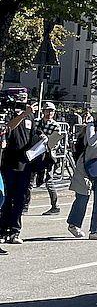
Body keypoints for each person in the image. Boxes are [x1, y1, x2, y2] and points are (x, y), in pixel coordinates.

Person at [67, 102, 97, 240]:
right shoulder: (92, 126)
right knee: (82, 197)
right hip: (86, 167)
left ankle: (95, 231)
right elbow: (92, 141)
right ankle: (74, 225)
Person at [0, 102, 40, 244]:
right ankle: (3, 230)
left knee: (20, 199)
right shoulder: (10, 114)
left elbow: (33, 135)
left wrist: (43, 139)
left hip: (25, 163)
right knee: (6, 198)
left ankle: (15, 231)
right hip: (9, 163)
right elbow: (7, 128)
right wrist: (22, 114)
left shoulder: (31, 117)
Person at [27, 102, 64, 215]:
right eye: (47, 110)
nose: (49, 113)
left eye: (51, 111)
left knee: (49, 181)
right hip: (34, 154)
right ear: (43, 111)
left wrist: (47, 141)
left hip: (47, 156)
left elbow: (56, 143)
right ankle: (25, 205)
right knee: (29, 181)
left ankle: (55, 206)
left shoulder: (55, 126)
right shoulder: (37, 122)